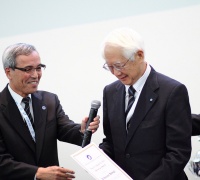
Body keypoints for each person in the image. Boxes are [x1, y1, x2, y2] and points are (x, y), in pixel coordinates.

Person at [99, 27, 192, 180]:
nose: (116, 73)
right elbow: (112, 141)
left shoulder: (172, 91)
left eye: (119, 65)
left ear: (139, 55)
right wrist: (97, 158)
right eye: (109, 67)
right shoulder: (110, 92)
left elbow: (178, 153)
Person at [0, 43, 100, 180]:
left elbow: (64, 128)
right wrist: (38, 173)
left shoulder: (49, 100)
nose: (35, 75)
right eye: (28, 69)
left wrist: (83, 129)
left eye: (39, 68)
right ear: (8, 72)